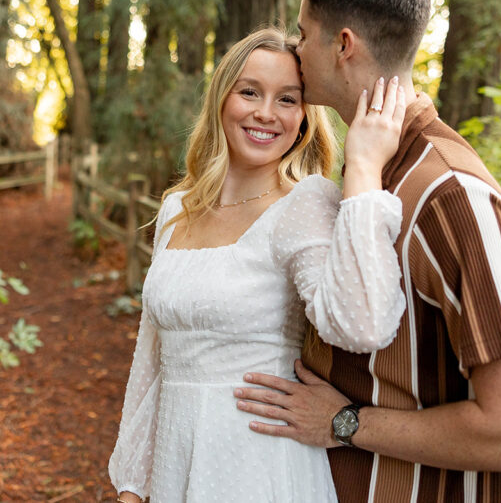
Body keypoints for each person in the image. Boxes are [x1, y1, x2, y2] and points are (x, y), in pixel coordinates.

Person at [233, 0, 501, 502]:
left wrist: (346, 423)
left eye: (302, 32)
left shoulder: (452, 196)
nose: (294, 47)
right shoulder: (377, 167)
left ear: (342, 46)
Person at [109, 26, 411, 502]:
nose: (265, 113)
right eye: (250, 91)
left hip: (259, 465)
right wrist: (131, 486)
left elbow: (362, 324)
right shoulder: (177, 209)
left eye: (288, 100)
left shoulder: (305, 205)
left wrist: (366, 168)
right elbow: (151, 363)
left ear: (305, 118)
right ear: (221, 99)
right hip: (174, 465)